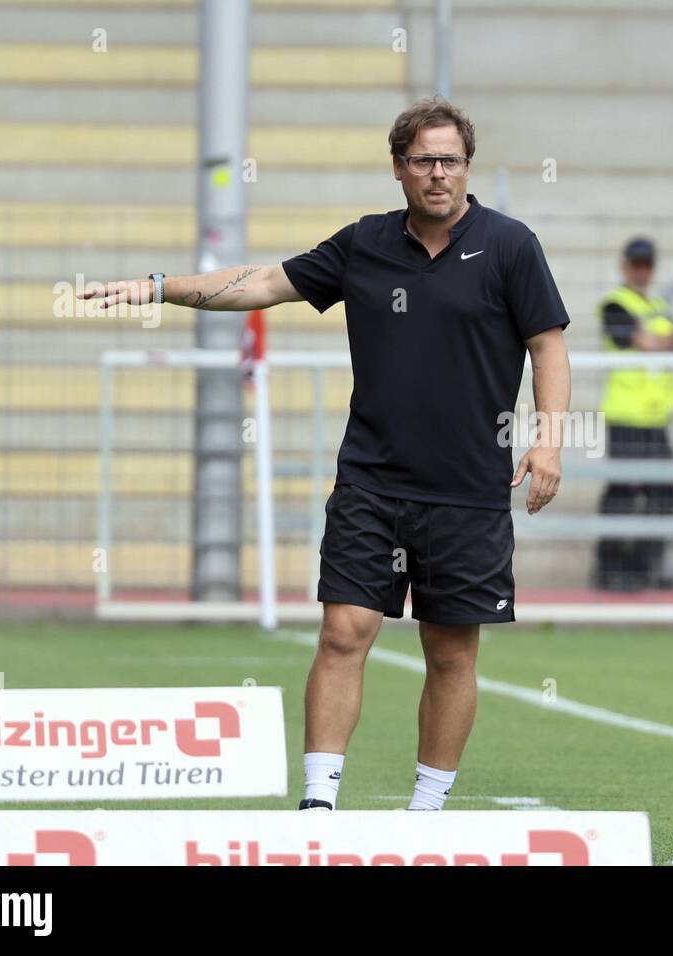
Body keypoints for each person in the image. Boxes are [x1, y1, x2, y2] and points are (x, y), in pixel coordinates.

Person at [79, 97, 572, 811]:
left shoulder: (510, 245)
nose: (439, 174)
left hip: (466, 487)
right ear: (399, 168)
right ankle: (318, 807)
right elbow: (263, 283)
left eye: (451, 160)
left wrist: (549, 438)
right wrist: (159, 288)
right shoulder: (364, 244)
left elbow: (547, 345)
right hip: (371, 482)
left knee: (452, 651)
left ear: (468, 166)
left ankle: (425, 813)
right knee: (344, 631)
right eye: (425, 161)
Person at [591, 237, 673, 592]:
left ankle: (646, 565)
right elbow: (641, 341)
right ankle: (609, 566)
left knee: (664, 492)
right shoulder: (615, 303)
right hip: (626, 415)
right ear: (625, 265)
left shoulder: (658, 304)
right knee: (623, 492)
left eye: (648, 264)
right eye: (638, 263)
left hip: (657, 418)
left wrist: (654, 340)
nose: (643, 270)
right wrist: (657, 341)